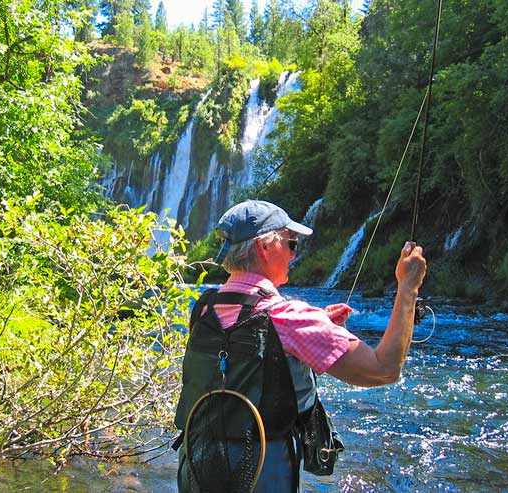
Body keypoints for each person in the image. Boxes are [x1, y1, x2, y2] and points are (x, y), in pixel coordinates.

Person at [174, 200, 427, 492]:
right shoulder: (292, 319)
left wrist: (318, 321)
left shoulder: (203, 310)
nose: (294, 255)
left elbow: (246, 348)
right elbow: (384, 369)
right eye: (291, 244)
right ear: (264, 247)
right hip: (263, 476)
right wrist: (408, 288)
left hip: (197, 468)